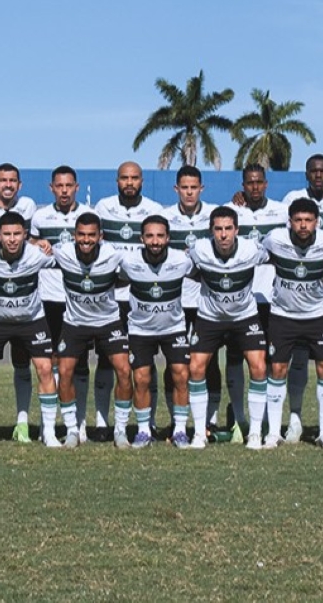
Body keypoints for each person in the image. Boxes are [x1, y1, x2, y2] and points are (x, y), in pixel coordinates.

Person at [260, 198, 323, 449]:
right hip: (282, 316)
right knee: (277, 371)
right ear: (290, 222)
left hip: (318, 316)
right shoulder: (275, 239)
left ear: (316, 222)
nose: (303, 225)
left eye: (308, 220)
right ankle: (273, 433)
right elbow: (261, 254)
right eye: (298, 220)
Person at [0, 210, 59, 448]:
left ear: (25, 235)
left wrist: (45, 244)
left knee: (45, 368)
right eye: (6, 234)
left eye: (17, 234)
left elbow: (67, 261)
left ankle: (48, 432)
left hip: (32, 320)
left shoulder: (38, 255)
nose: (12, 239)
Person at [186, 206, 271, 448]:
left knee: (258, 366)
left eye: (228, 229)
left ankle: (254, 432)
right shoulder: (199, 250)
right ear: (211, 231)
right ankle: (200, 433)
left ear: (237, 230)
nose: (223, 234)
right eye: (218, 229)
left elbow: (275, 257)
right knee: (196, 368)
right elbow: (189, 270)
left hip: (245, 317)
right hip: (209, 318)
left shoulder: (252, 249)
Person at [93, 161, 164, 440]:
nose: (129, 182)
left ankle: (151, 422)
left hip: (143, 297)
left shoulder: (155, 210)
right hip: (111, 298)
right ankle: (101, 422)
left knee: (146, 363)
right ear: (117, 180)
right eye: (124, 178)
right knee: (107, 360)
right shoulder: (102, 207)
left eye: (134, 178)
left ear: (142, 181)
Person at [53, 212, 135, 448]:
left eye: (91, 235)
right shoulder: (62, 252)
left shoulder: (113, 255)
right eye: (81, 235)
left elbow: (133, 272)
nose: (86, 240)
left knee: (123, 370)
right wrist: (38, 243)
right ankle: (71, 430)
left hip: (108, 321)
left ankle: (120, 430)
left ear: (101, 236)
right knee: (65, 371)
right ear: (73, 235)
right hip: (74, 323)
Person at [120, 215, 194, 447]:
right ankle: (143, 430)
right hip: (140, 329)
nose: (155, 241)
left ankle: (180, 430)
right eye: (150, 236)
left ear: (168, 238)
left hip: (174, 328)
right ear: (141, 238)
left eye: (160, 236)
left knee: (181, 374)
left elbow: (204, 273)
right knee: (141, 379)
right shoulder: (129, 262)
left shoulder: (182, 261)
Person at [161, 166, 223, 437]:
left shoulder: (214, 215)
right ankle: (175, 419)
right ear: (176, 189)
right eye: (184, 187)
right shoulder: (164, 217)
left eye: (193, 187)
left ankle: (210, 419)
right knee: (173, 362)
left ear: (201, 189)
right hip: (173, 299)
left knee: (208, 362)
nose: (189, 192)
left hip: (205, 301)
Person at [30, 166, 91, 438]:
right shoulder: (40, 217)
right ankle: (51, 425)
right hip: (48, 298)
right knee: (52, 360)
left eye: (69, 186)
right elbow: (26, 241)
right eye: (59, 186)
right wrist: (35, 241)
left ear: (77, 187)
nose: (64, 190)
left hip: (78, 300)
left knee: (79, 361)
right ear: (51, 188)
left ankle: (80, 422)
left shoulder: (90, 216)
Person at [0, 162, 40, 442]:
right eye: (3, 180)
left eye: (13, 180)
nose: (8, 184)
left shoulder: (30, 206)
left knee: (24, 363)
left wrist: (39, 243)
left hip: (28, 306)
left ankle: (23, 423)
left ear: (19, 184)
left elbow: (39, 243)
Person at [232, 164, 293, 438]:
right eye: (249, 183)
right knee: (236, 360)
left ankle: (271, 421)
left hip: (273, 299)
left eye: (259, 182)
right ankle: (238, 420)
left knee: (271, 363)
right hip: (240, 301)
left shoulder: (281, 212)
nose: (254, 187)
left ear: (266, 184)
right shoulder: (232, 211)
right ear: (243, 185)